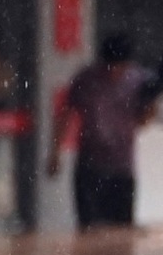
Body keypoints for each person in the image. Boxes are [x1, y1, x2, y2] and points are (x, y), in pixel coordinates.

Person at [50, 33, 151, 228]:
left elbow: (143, 120)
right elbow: (64, 115)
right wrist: (55, 152)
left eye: (119, 66)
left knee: (121, 230)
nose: (113, 71)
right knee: (89, 228)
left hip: (121, 167)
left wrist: (149, 106)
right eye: (109, 66)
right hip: (90, 165)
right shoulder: (86, 80)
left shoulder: (138, 81)